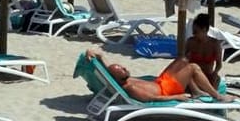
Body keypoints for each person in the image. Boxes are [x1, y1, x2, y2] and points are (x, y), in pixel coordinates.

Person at [84, 46, 224, 100]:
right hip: (167, 90)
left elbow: (110, 68)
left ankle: (196, 91)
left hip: (160, 81)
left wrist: (97, 54)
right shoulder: (131, 88)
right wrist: (177, 97)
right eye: (122, 70)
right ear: (119, 78)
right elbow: (153, 99)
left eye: (123, 67)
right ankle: (217, 95)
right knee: (193, 67)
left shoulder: (120, 78)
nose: (125, 68)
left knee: (182, 60)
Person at [182, 14, 222, 88]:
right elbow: (184, 62)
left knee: (217, 79)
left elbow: (219, 64)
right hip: (193, 76)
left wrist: (215, 72)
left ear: (204, 29)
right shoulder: (191, 42)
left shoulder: (214, 44)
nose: (193, 34)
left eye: (195, 32)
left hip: (207, 75)